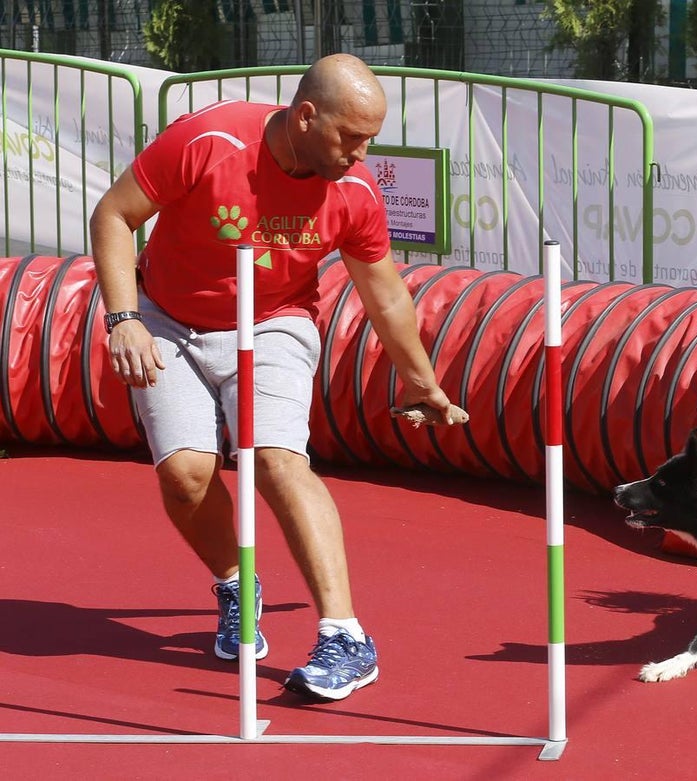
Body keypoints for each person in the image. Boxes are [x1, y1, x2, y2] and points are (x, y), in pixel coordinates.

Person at [90, 53, 460, 702]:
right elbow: (114, 215)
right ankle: (238, 581)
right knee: (186, 475)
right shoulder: (209, 140)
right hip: (167, 317)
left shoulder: (354, 191)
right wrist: (123, 318)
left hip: (275, 321)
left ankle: (345, 637)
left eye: (371, 139)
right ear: (307, 117)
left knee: (277, 460)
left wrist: (421, 380)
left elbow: (386, 295)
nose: (362, 154)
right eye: (352, 137)